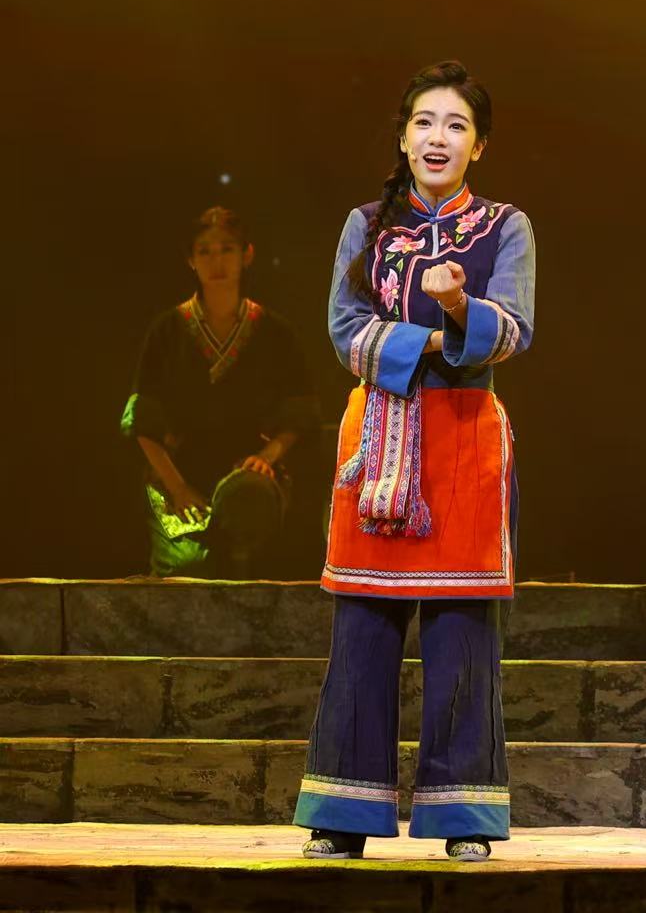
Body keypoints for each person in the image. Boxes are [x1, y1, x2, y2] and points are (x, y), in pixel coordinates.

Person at [295, 62, 535, 863]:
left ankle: (463, 818)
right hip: (377, 444)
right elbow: (344, 330)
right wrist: (438, 338)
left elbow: (513, 330)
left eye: (457, 125)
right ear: (402, 137)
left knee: (462, 632)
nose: (439, 137)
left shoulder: (506, 227)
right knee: (363, 628)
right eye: (425, 122)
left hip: (464, 441)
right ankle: (342, 816)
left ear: (479, 146)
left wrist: (462, 304)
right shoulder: (365, 225)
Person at [121, 207, 316, 578]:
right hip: (179, 474)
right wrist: (178, 488)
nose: (217, 261)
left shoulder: (274, 331)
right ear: (191, 260)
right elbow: (143, 422)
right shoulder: (167, 331)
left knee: (262, 558)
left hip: (250, 476)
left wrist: (267, 456)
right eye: (205, 251)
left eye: (227, 249)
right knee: (188, 566)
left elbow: (300, 411)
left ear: (247, 255)